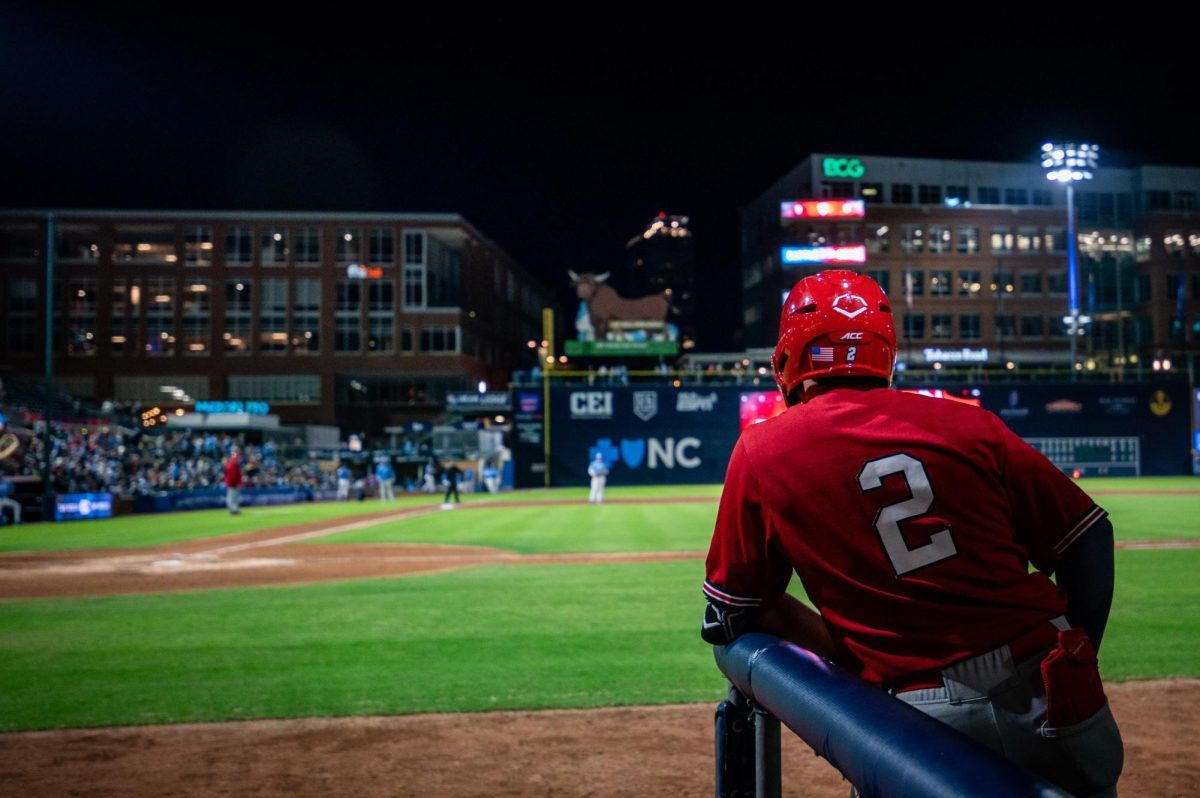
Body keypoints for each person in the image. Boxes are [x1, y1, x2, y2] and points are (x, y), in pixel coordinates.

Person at [702, 270, 1122, 797]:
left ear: (790, 358)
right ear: (886, 351)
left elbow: (735, 607)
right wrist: (1076, 656)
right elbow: (1088, 539)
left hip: (919, 715)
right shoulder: (968, 423)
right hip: (1051, 687)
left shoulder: (763, 449)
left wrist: (843, 652)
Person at [223, 448, 242, 515]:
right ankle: (233, 510)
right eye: (237, 457)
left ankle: (234, 509)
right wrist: (236, 482)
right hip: (232, 483)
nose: (238, 458)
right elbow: (233, 475)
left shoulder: (231, 463)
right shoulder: (232, 464)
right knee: (232, 497)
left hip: (232, 483)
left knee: (233, 497)